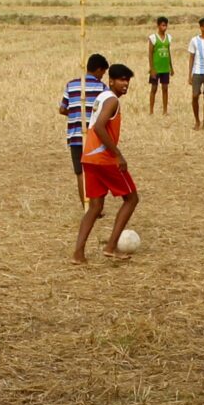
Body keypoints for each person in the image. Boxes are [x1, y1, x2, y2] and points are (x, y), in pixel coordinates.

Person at [71, 63, 139, 264]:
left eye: (127, 80)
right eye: (121, 80)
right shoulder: (111, 101)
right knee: (132, 198)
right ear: (111, 81)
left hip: (89, 157)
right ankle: (111, 246)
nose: (125, 84)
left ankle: (78, 254)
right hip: (103, 158)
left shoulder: (101, 97)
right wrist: (117, 154)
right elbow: (100, 127)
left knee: (95, 206)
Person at [61, 54, 109, 202]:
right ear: (99, 69)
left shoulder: (71, 85)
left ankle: (86, 205)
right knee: (96, 171)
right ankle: (96, 205)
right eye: (103, 73)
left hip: (75, 136)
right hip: (95, 137)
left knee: (80, 172)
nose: (102, 76)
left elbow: (62, 109)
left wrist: (77, 113)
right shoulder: (102, 88)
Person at [146, 17, 175, 115]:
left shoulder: (168, 38)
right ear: (158, 26)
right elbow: (150, 53)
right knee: (154, 88)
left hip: (165, 68)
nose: (164, 27)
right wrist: (152, 68)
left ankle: (165, 110)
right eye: (162, 25)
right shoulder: (153, 38)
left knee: (165, 88)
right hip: (156, 68)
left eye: (166, 25)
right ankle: (151, 110)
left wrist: (171, 67)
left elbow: (168, 52)